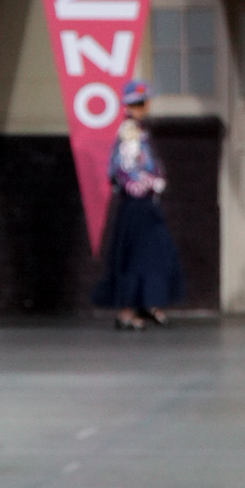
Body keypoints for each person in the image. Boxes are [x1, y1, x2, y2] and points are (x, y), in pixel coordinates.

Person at [92, 78, 183, 331]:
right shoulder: (129, 132)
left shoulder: (138, 131)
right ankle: (127, 311)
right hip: (136, 204)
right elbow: (124, 168)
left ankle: (147, 303)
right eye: (140, 103)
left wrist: (155, 179)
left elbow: (143, 164)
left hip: (144, 203)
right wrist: (148, 183)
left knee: (154, 254)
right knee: (133, 257)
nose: (145, 107)